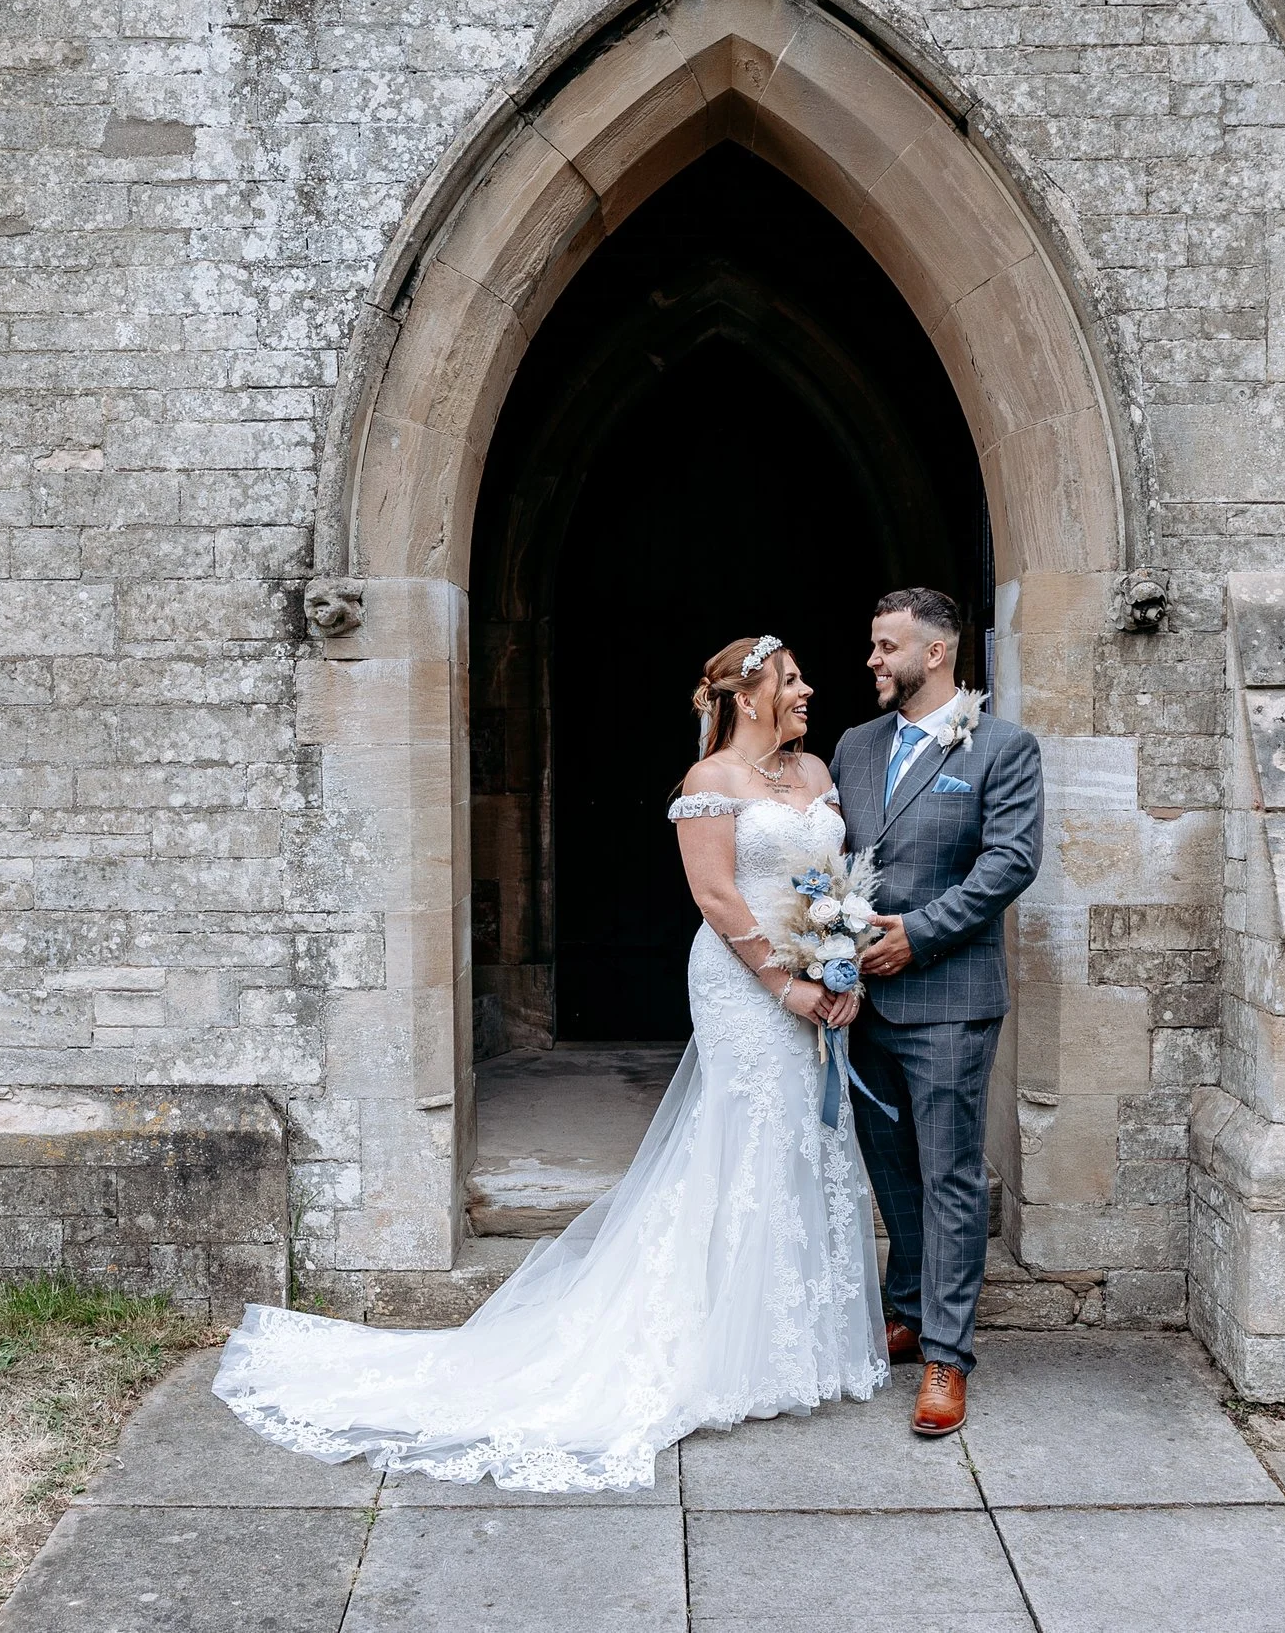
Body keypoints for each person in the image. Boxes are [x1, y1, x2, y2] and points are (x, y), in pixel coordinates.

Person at [212, 635, 885, 1491]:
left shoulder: (818, 771)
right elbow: (717, 898)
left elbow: (834, 881)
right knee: (746, 1138)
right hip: (745, 983)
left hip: (815, 977)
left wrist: (842, 964)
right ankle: (726, 1343)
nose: (808, 689)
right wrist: (784, 985)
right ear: (749, 696)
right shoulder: (709, 784)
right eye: (792, 680)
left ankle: (801, 1346)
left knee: (808, 1136)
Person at [830, 587, 1044, 1437]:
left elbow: (1010, 863)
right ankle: (909, 1308)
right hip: (860, 1002)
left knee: (951, 1175)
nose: (874, 661)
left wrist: (917, 935)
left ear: (937, 653)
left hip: (948, 998)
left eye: (887, 647)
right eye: (874, 646)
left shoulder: (1002, 747)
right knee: (892, 1172)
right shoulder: (852, 745)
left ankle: (948, 1355)